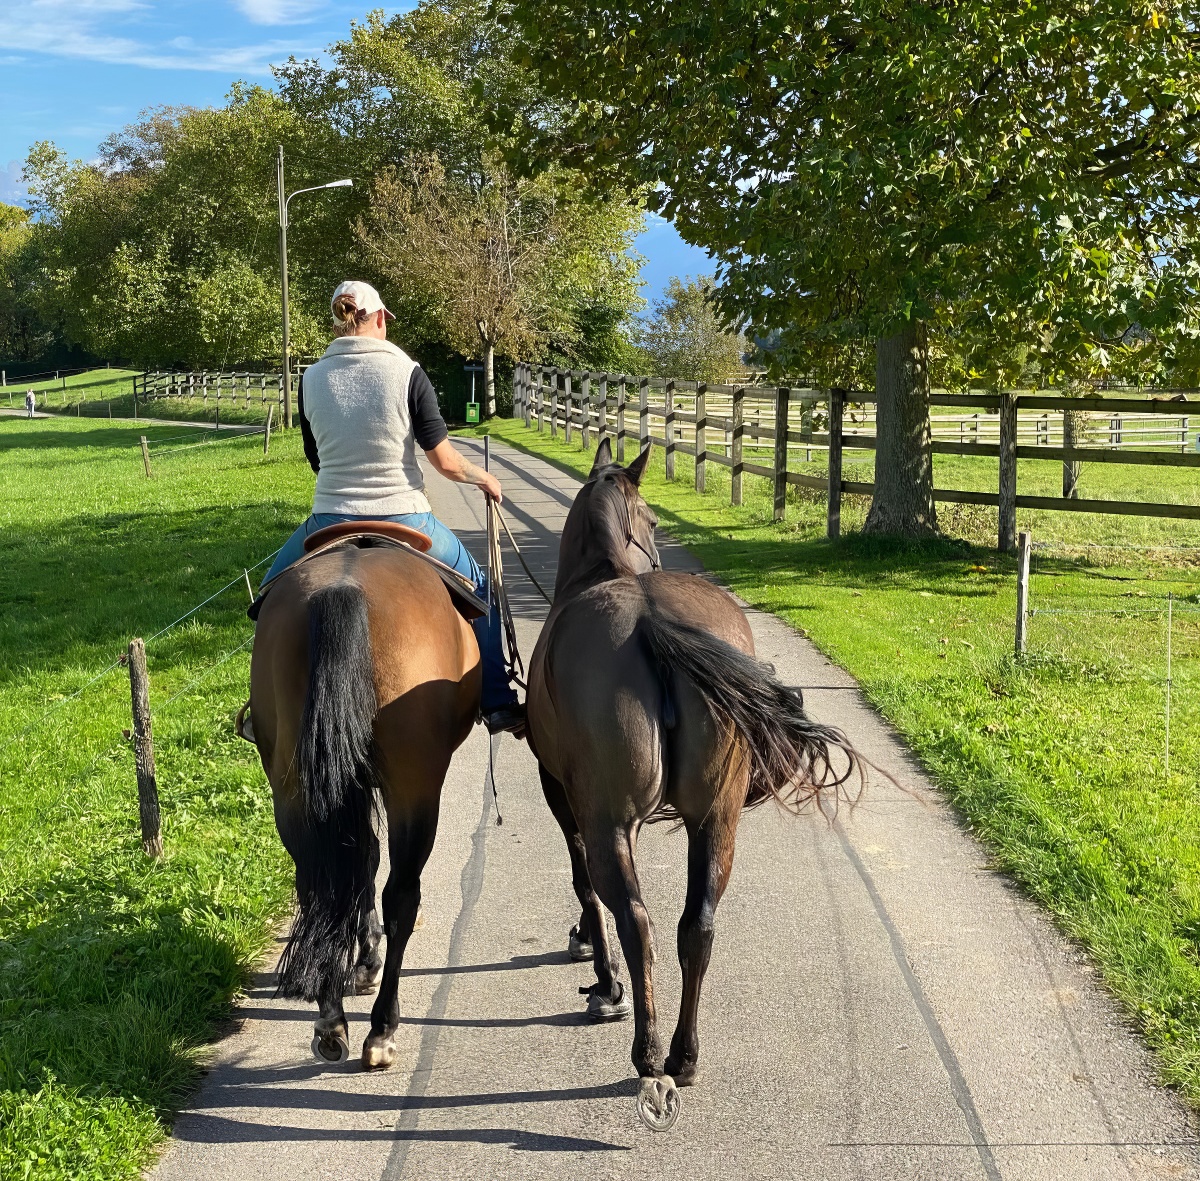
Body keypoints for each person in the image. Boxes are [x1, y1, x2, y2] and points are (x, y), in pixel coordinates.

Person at [260, 281, 524, 735]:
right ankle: (497, 700)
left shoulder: (310, 379)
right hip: (406, 516)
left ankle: (263, 712)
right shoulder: (406, 372)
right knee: (477, 585)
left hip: (329, 517)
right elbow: (444, 461)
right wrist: (485, 479)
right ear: (379, 318)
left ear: (340, 319)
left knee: (268, 596)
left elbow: (316, 460)